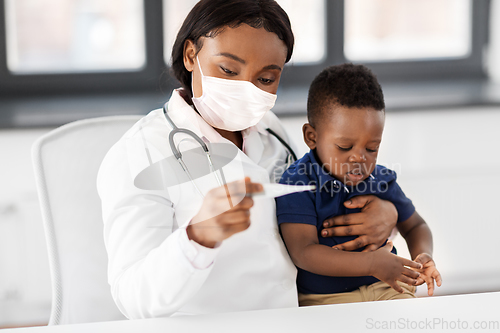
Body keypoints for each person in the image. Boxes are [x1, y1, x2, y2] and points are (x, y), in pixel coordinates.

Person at [97, 0, 401, 319]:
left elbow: (315, 210)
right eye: (228, 70)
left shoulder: (272, 131)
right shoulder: (140, 153)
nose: (246, 89)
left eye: (266, 79)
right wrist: (197, 238)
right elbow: (133, 297)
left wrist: (387, 213)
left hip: (300, 315)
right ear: (191, 55)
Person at [276, 63, 442, 306]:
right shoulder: (297, 181)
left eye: (372, 148)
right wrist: (373, 263)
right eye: (344, 147)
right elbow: (303, 252)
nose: (359, 158)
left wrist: (423, 256)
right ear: (312, 137)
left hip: (388, 286)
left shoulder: (381, 179)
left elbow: (416, 225)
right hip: (326, 300)